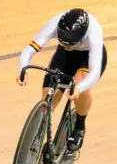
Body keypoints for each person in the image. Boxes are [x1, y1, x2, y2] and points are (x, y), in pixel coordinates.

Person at [16, 8, 108, 152]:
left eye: (70, 44)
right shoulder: (56, 23)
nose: (67, 47)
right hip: (64, 57)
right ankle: (42, 133)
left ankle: (79, 127)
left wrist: (80, 88)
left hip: (86, 57)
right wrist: (23, 69)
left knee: (80, 82)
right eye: (63, 42)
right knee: (48, 97)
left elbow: (95, 71)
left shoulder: (94, 31)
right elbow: (30, 49)